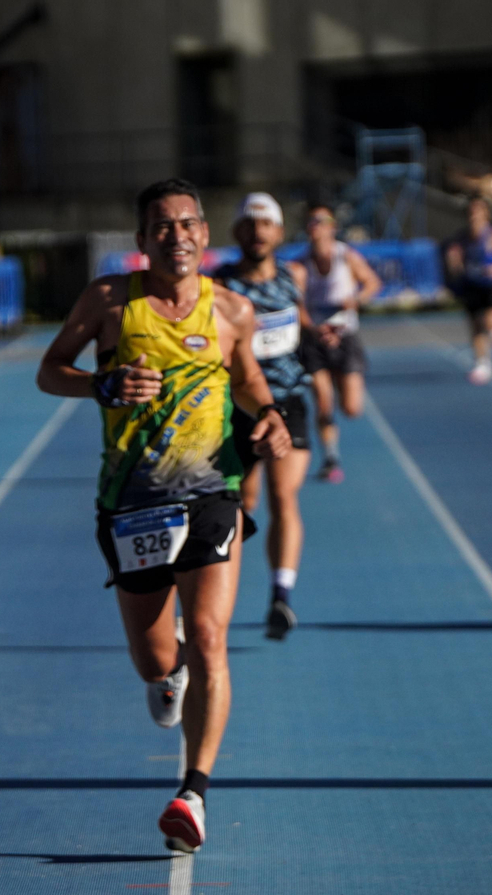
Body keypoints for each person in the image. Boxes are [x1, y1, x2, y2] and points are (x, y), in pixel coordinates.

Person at [37, 177, 291, 854]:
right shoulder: (109, 302)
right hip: (133, 501)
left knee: (210, 637)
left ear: (205, 236)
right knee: (155, 661)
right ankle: (167, 676)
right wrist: (101, 383)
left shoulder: (232, 310)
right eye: (161, 227)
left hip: (212, 493)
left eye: (187, 225)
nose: (176, 236)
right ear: (143, 240)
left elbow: (247, 378)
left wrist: (269, 419)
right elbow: (49, 369)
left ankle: (193, 792)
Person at [212, 193, 312, 640]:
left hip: (289, 402)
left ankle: (281, 597)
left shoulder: (295, 276)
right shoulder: (219, 286)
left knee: (283, 498)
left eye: (266, 223)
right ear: (237, 232)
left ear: (278, 231)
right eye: (250, 224)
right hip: (238, 407)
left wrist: (318, 333)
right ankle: (218, 595)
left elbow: (300, 321)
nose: (258, 231)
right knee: (241, 505)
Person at [299, 204, 380, 483]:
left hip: (345, 337)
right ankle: (331, 458)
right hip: (314, 339)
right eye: (312, 222)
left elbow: (372, 283)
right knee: (323, 402)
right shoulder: (302, 264)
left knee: (352, 408)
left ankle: (339, 383)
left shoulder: (346, 257)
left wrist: (355, 300)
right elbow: (296, 305)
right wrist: (313, 327)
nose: (317, 227)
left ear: (332, 227)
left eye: (322, 222)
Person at [446, 197, 492, 386]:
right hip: (472, 284)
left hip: (491, 284)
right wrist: (455, 262)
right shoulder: (462, 237)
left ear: (485, 213)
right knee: (476, 325)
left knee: (490, 317)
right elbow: (455, 258)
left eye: (478, 211)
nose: (474, 216)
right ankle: (482, 363)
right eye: (471, 212)